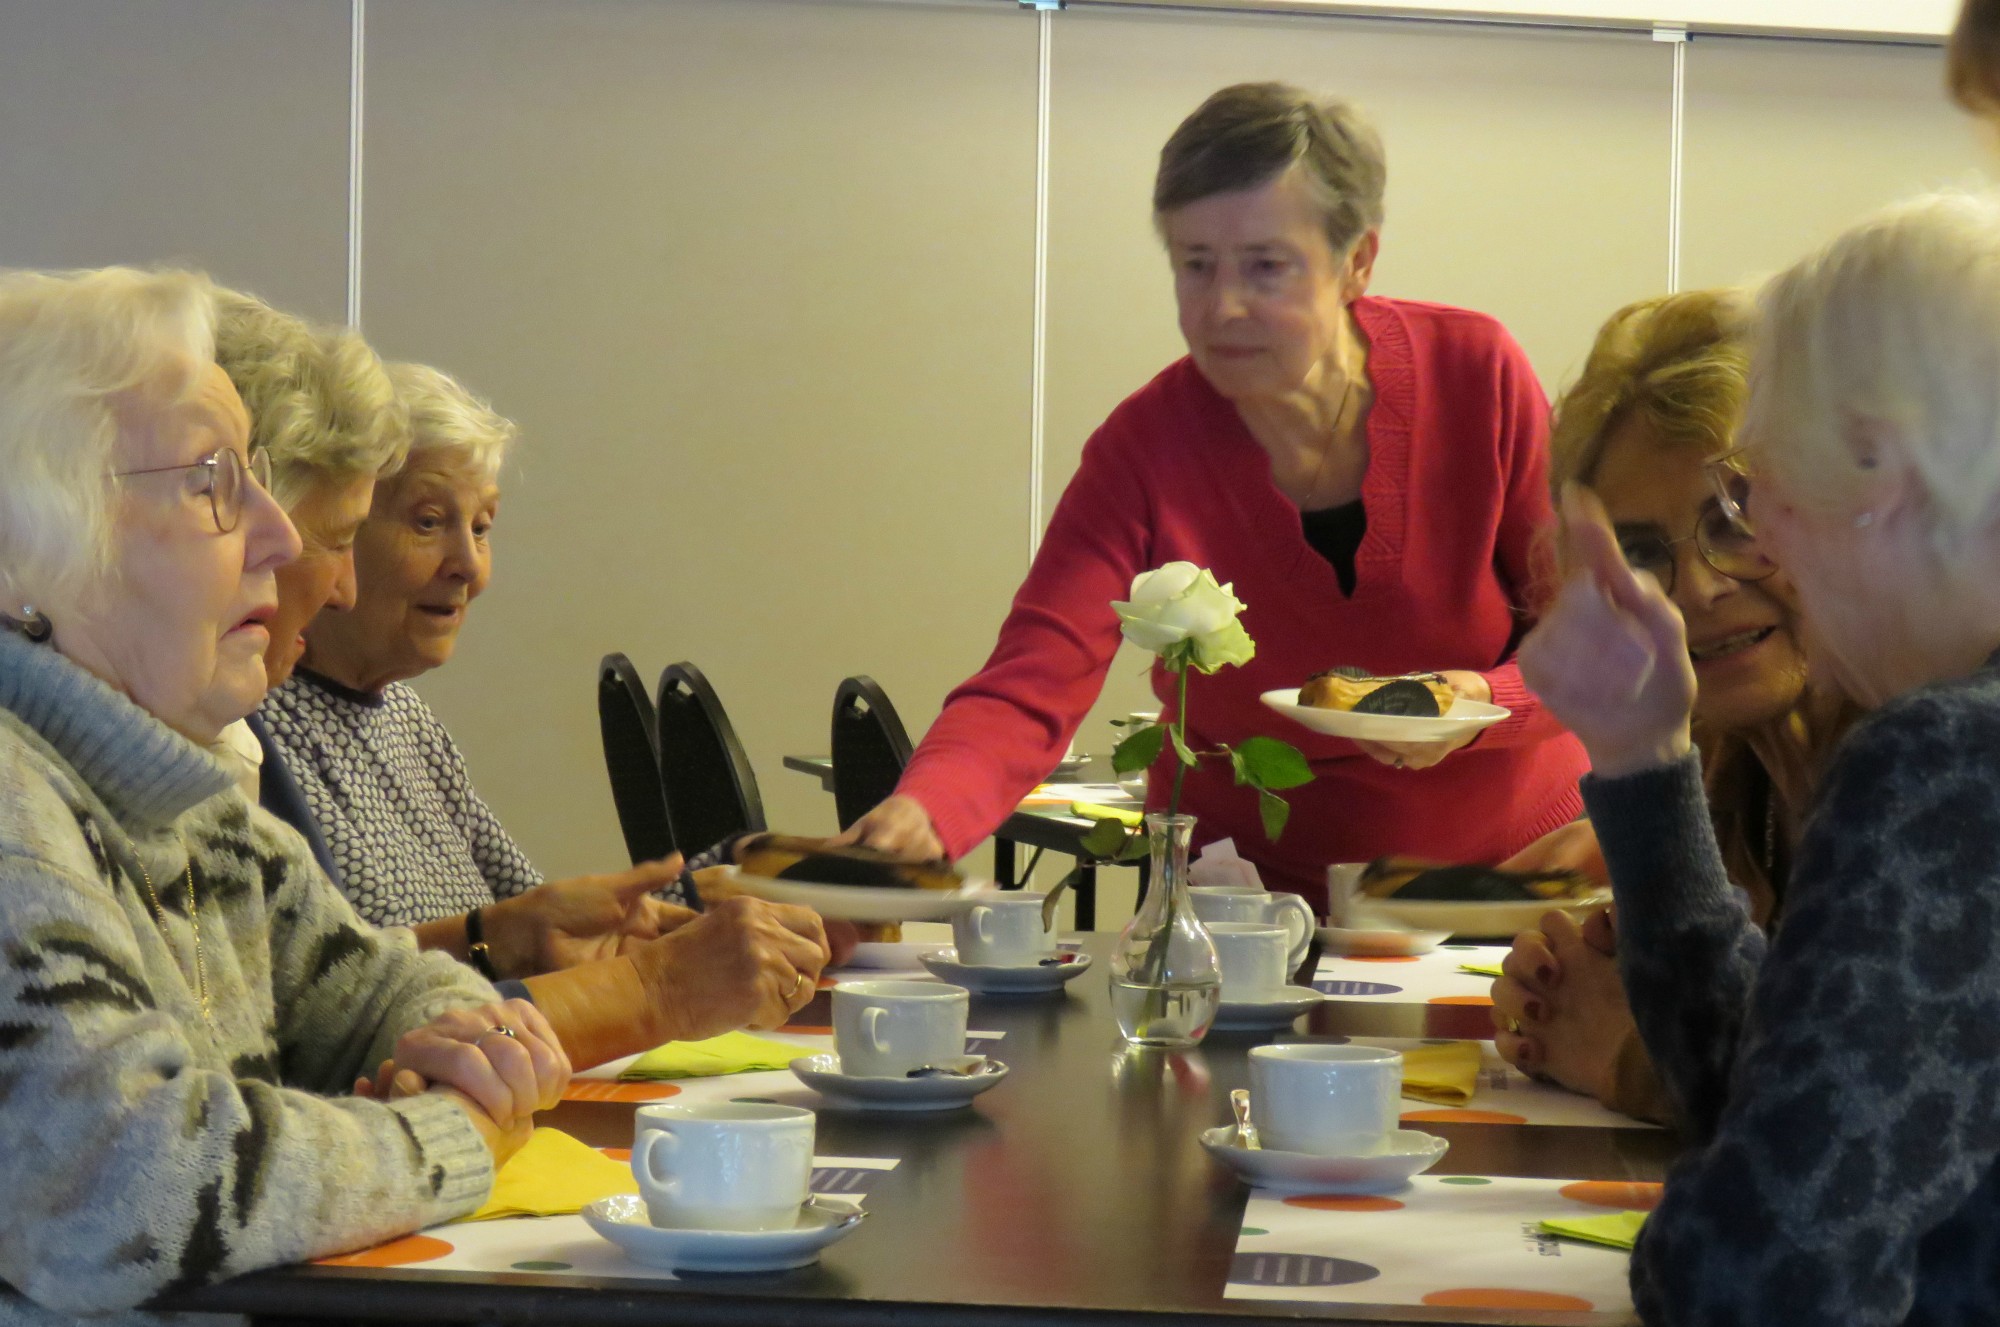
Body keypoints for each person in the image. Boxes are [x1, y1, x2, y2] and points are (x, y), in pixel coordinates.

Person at [846, 82, 1588, 906]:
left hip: (1517, 881)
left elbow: (1593, 636)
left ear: (1357, 263)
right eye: (1195, 265)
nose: (1222, 306)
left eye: (1265, 267)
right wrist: (923, 814)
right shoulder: (1145, 448)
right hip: (1261, 908)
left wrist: (1484, 697)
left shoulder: (1475, 374)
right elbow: (1031, 682)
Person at [0, 265, 571, 1315]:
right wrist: (451, 1129)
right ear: (30, 545)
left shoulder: (178, 794)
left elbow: (383, 986)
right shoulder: (11, 809)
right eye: (214, 481)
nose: (277, 535)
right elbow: (127, 1194)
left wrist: (469, 1043)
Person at [1521, 190, 2000, 1323]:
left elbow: (1754, 1276)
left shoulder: (1946, 758)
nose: (1754, 543)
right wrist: (1642, 762)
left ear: (1879, 467)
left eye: (1755, 491)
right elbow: (1795, 1102)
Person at [216, 294, 714, 984]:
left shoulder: (407, 722)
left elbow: (540, 920)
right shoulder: (250, 720)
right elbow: (316, 996)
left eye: (481, 528)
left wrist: (719, 888)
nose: (469, 567)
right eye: (428, 522)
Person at [1484, 290, 1851, 1122]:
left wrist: (1628, 1057)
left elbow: (1851, 1132)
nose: (1698, 588)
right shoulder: (1729, 767)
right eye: (1643, 553)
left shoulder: (1937, 761)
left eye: (1738, 519)